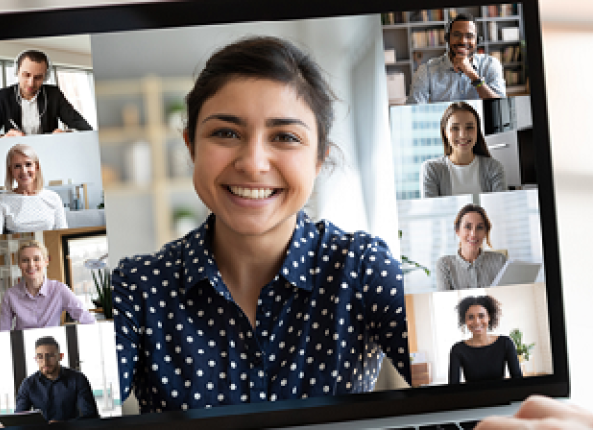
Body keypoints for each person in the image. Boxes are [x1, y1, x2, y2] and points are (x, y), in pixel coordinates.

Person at [112, 36, 411, 413]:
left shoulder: (363, 266)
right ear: (191, 146)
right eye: (225, 133)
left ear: (319, 159)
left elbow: (462, 385)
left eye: (285, 137)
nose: (253, 163)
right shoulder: (138, 287)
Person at [0, 49, 92, 139]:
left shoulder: (54, 94)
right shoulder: (3, 97)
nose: (31, 83)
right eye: (26, 75)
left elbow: (85, 128)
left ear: (45, 77)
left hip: (49, 151)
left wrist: (67, 133)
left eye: (38, 77)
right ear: (17, 71)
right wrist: (3, 137)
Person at [407, 13, 506, 104]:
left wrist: (473, 75)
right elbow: (413, 110)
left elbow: (500, 106)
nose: (463, 41)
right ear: (447, 39)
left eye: (469, 36)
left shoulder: (491, 64)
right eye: (456, 35)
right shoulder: (427, 70)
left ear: (477, 41)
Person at [0, 240, 95, 330]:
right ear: (19, 264)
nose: (31, 265)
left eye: (36, 259)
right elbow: (3, 331)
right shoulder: (10, 295)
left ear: (46, 262)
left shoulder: (60, 290)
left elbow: (88, 320)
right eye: (25, 260)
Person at [421, 102, 506, 197]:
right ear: (445, 133)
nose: (463, 135)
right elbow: (433, 211)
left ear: (477, 130)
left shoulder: (494, 168)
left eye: (469, 127)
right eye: (455, 128)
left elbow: (500, 207)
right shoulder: (432, 169)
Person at [0, 143, 67, 235]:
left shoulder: (53, 197)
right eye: (17, 166)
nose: (24, 171)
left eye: (28, 164)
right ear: (11, 170)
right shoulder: (2, 200)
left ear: (36, 167)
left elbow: (63, 234)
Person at [16, 336, 99, 422]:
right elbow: (19, 417)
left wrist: (63, 425)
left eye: (50, 356)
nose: (45, 362)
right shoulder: (28, 384)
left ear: (60, 356)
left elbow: (91, 416)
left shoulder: (78, 379)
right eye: (40, 357)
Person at [448, 295, 521, 384]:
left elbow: (518, 380)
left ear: (489, 317)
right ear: (465, 320)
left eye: (481, 316)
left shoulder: (505, 343)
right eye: (470, 317)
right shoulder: (457, 350)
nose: (476, 322)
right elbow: (453, 387)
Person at [436, 204, 507, 291]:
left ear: (485, 232)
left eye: (479, 227)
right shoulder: (444, 265)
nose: (473, 234)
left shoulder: (500, 261)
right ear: (457, 231)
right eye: (467, 227)